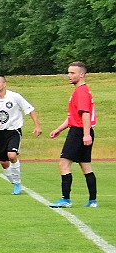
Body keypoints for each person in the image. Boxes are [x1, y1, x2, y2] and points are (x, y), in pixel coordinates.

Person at [48, 61, 98, 208]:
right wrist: (59, 129)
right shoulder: (81, 91)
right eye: (68, 72)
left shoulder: (81, 91)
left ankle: (66, 199)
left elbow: (85, 114)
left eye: (72, 73)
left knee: (63, 164)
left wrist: (86, 134)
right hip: (80, 130)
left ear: (81, 74)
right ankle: (92, 201)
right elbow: (73, 116)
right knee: (85, 166)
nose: (69, 75)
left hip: (79, 132)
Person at [0, 75, 42, 195]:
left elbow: (30, 110)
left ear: (4, 84)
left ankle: (17, 182)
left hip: (14, 130)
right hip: (0, 132)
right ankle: (14, 182)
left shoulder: (15, 96)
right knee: (4, 162)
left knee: (11, 155)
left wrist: (37, 126)